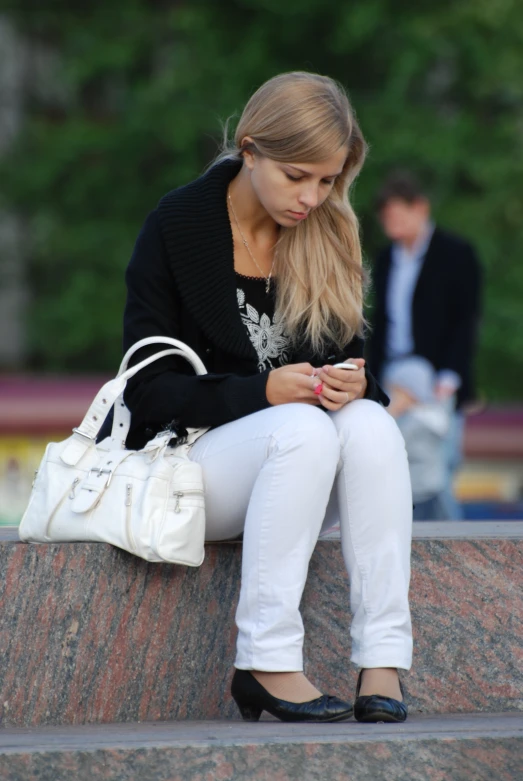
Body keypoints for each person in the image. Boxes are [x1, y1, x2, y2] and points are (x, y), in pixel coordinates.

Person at [122, 72, 412, 724]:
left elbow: (352, 359)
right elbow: (146, 392)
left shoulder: (328, 229)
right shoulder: (176, 226)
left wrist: (350, 383)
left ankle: (382, 658)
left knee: (369, 422)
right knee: (300, 428)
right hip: (193, 471)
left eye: (328, 179)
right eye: (296, 176)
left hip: (301, 470)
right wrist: (263, 391)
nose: (312, 196)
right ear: (249, 150)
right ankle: (265, 661)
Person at [367, 172, 482, 519]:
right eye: (386, 218)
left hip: (436, 377)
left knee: (439, 468)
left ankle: (458, 554)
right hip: (392, 376)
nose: (392, 225)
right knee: (394, 464)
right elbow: (380, 324)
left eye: (398, 215)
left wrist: (449, 376)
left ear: (420, 208)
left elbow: (466, 320)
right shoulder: (386, 258)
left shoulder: (456, 253)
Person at [384, 356, 451, 521]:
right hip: (424, 490)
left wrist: (390, 413)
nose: (390, 396)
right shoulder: (425, 415)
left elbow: (391, 445)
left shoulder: (418, 420)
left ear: (411, 390)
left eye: (395, 391)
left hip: (420, 492)